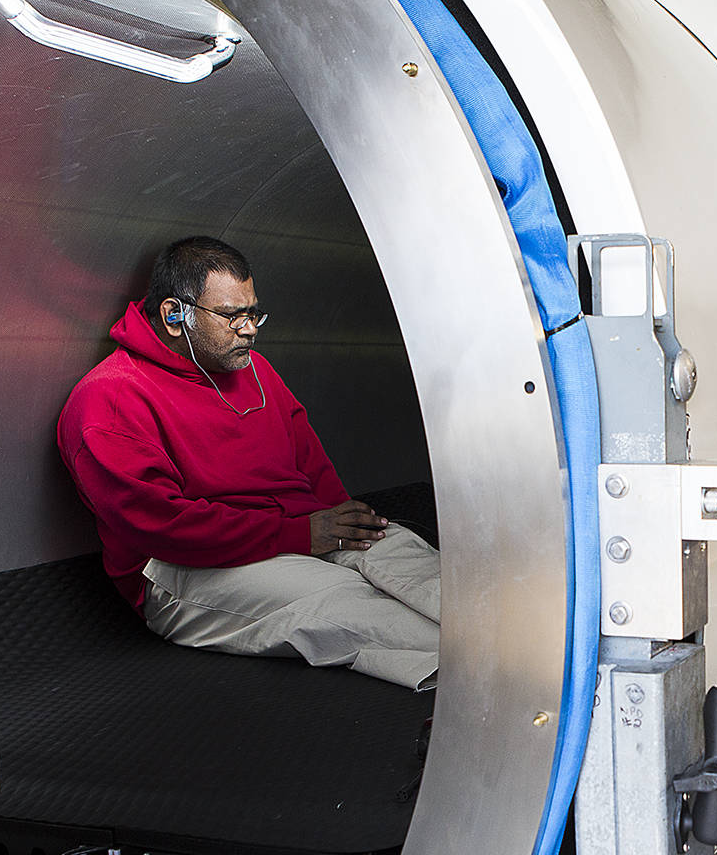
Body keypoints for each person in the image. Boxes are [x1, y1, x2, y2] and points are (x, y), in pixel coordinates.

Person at [58, 236, 442, 689]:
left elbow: (310, 466)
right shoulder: (110, 400)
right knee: (352, 605)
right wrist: (299, 535)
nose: (249, 329)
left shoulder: (255, 369)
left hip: (292, 530)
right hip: (183, 567)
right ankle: (497, 681)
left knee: (415, 566)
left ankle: (539, 644)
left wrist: (348, 529)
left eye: (253, 313)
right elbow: (163, 526)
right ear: (173, 316)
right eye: (231, 316)